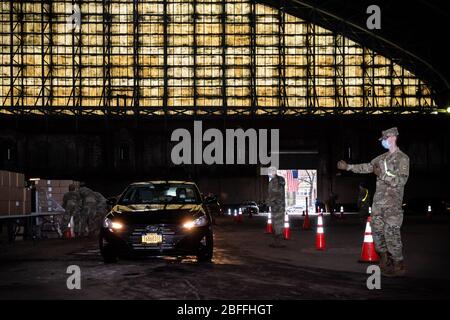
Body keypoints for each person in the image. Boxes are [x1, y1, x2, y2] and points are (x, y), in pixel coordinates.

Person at [337, 127, 409, 277]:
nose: (383, 142)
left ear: (392, 137)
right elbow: (367, 167)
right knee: (377, 234)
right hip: (378, 205)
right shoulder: (380, 158)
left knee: (392, 235)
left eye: (384, 139)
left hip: (392, 205)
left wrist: (382, 175)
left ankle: (398, 264)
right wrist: (348, 167)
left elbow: (401, 181)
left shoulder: (403, 159)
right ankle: (384, 259)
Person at [267, 166, 286, 248]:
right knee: (277, 224)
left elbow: (275, 193)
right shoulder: (280, 179)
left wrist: (270, 202)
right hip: (278, 206)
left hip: (277, 206)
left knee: (277, 225)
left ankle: (278, 243)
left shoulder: (275, 181)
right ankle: (277, 242)